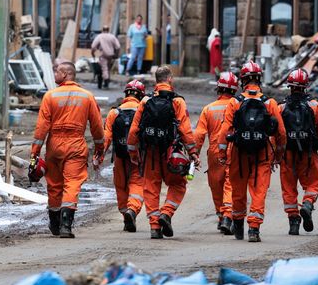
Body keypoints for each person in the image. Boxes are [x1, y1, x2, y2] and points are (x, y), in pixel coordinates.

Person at [31, 61, 105, 238]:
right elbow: (96, 126)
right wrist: (99, 147)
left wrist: (35, 152)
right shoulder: (86, 96)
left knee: (54, 184)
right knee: (72, 183)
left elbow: (41, 128)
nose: (54, 74)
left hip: (54, 145)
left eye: (56, 71)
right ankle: (66, 225)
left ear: (65, 74)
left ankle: (55, 223)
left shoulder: (50, 96)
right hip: (76, 145)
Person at [127, 65, 200, 239]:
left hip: (150, 152)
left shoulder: (145, 101)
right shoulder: (178, 101)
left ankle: (154, 227)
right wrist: (193, 153)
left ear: (156, 80)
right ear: (170, 79)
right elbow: (185, 129)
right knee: (178, 184)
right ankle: (166, 213)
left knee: (151, 188)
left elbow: (133, 131)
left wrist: (133, 154)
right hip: (171, 152)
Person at [218, 61, 286, 243]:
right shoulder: (270, 103)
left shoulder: (235, 102)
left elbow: (224, 132)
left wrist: (223, 154)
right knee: (259, 192)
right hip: (262, 154)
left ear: (243, 81)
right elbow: (281, 133)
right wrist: (278, 156)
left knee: (238, 191)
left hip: (238, 154)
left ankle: (238, 224)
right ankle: (254, 229)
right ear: (259, 79)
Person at [279, 68, 318, 236]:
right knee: (314, 184)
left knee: (288, 188)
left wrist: (275, 156)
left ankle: (293, 222)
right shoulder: (315, 107)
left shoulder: (281, 107)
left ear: (290, 86)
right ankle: (307, 204)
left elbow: (277, 134)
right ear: (306, 86)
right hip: (309, 154)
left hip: (287, 155)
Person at [97, 80, 146, 232]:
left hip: (120, 157)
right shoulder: (143, 111)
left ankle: (125, 213)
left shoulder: (114, 113)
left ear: (126, 94)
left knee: (121, 185)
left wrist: (99, 156)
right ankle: (132, 210)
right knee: (137, 184)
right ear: (141, 95)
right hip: (139, 157)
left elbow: (106, 138)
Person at [194, 72, 238, 234]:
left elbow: (198, 135)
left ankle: (222, 216)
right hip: (233, 149)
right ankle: (227, 215)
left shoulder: (208, 109)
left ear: (218, 89)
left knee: (216, 184)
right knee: (231, 183)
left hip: (214, 151)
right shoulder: (238, 106)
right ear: (234, 90)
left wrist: (194, 153)